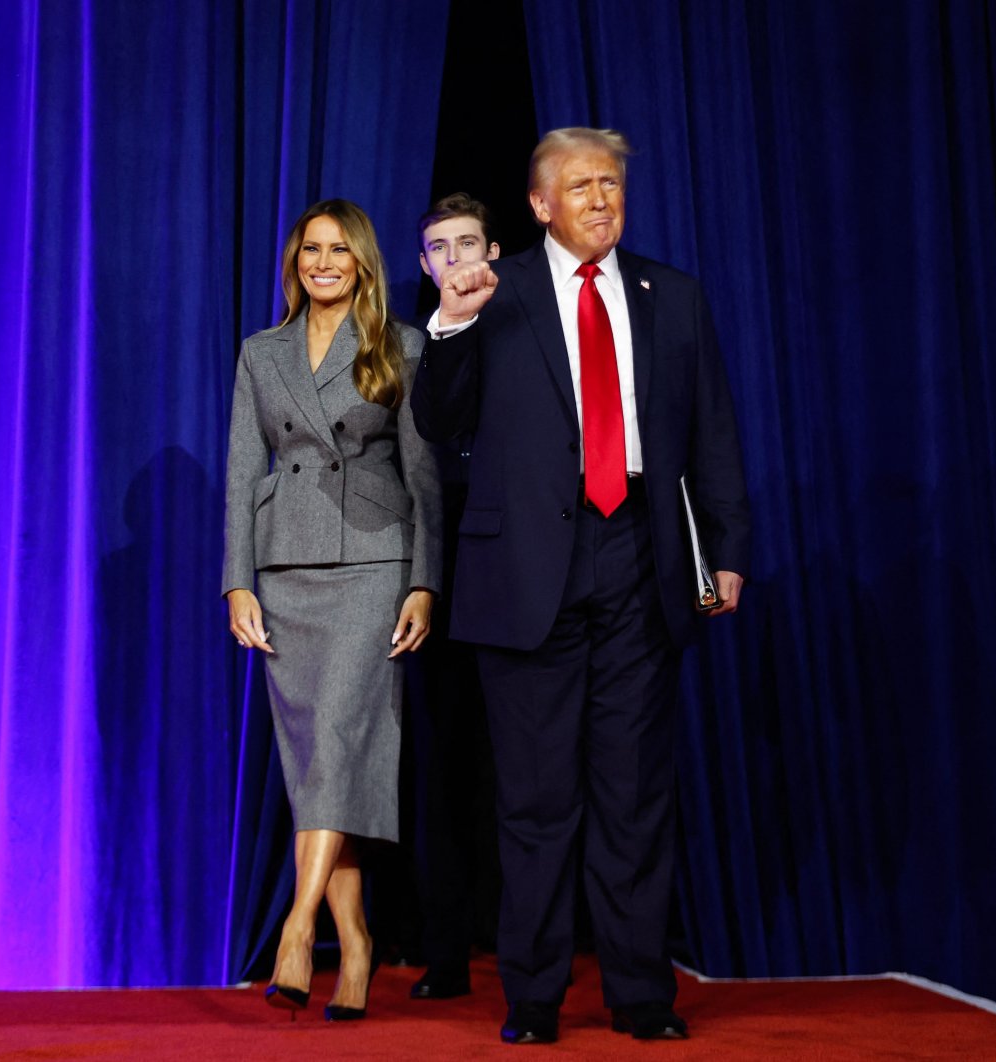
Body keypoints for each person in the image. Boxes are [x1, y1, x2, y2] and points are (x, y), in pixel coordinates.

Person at [411, 128, 751, 1044]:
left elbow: (713, 432)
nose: (601, 200)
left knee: (634, 793)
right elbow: (439, 422)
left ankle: (641, 993)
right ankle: (532, 996)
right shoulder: (496, 290)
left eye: (611, 184)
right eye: (580, 186)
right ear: (537, 203)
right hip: (526, 571)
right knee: (534, 799)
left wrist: (726, 550)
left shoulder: (672, 297)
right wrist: (451, 322)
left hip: (641, 558)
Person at [224, 199, 442, 1022]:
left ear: (362, 264)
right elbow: (244, 470)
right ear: (296, 262)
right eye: (311, 250)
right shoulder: (260, 351)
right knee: (321, 761)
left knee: (341, 744)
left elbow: (423, 476)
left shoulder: (402, 346)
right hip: (285, 569)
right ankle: (355, 945)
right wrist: (237, 581)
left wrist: (425, 580)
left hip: (373, 566)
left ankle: (297, 925)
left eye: (338, 251)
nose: (323, 263)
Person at [401, 193, 504, 1003]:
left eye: (470, 243)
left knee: (522, 764)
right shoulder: (410, 348)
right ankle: (443, 951)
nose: (458, 257)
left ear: (495, 251)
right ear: (426, 266)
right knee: (440, 765)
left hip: (525, 569)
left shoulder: (538, 329)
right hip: (441, 567)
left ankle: (523, 941)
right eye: (441, 248)